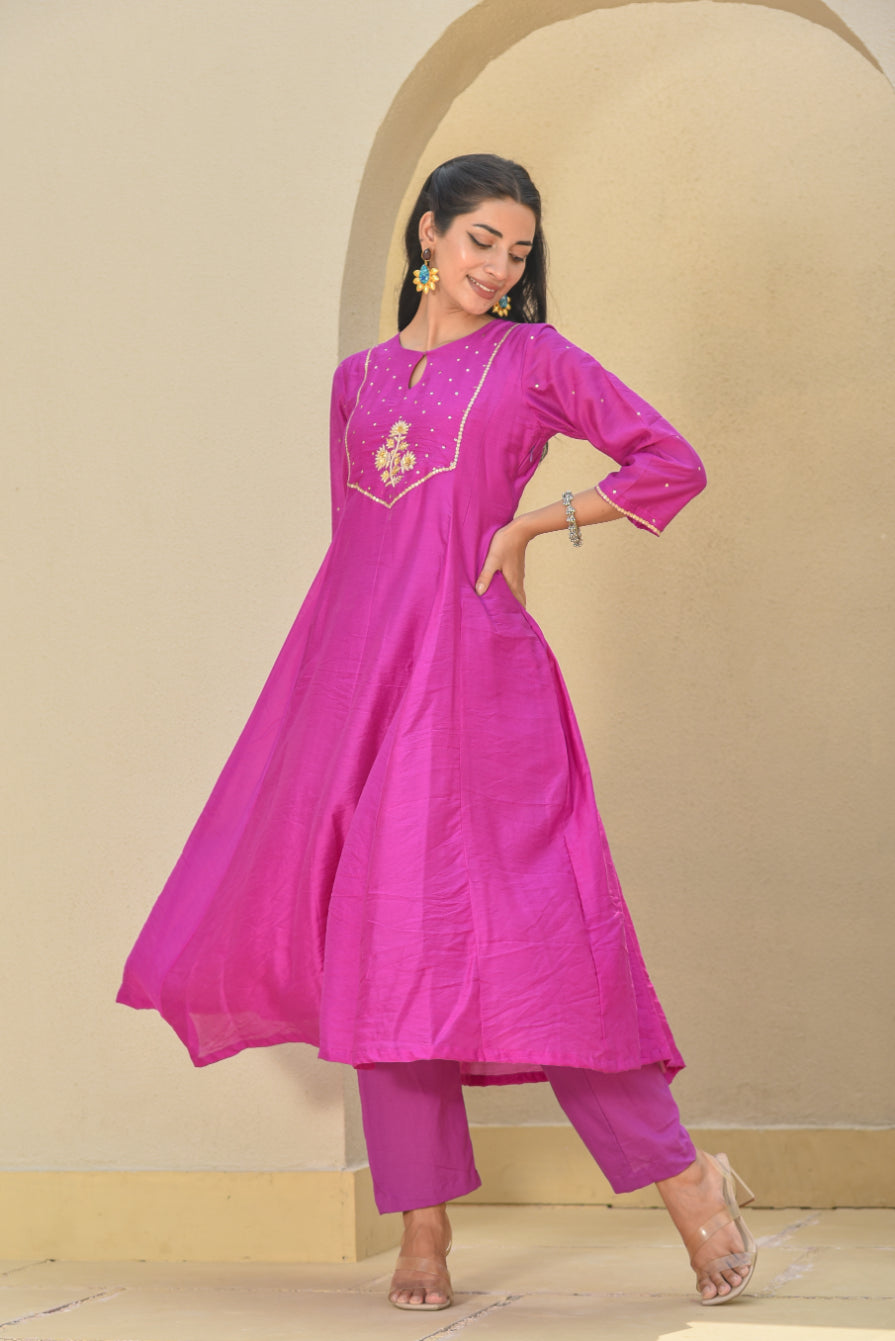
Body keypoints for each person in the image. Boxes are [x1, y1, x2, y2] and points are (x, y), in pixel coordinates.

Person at [117, 153, 756, 1312]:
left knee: (551, 947)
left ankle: (688, 1185)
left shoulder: (536, 358)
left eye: (517, 250)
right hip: (360, 690)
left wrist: (529, 525)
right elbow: (358, 558)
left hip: (484, 691)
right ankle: (422, 1231)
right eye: (480, 242)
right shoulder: (355, 382)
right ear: (428, 234)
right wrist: (323, 716)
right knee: (388, 953)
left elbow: (673, 460)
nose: (497, 267)